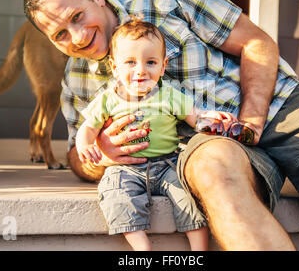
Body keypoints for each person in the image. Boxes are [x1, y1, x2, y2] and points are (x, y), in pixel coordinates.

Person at [23, 0, 299, 251]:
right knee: (212, 170)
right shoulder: (77, 77)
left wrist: (251, 122)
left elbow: (257, 44)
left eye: (76, 17)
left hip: (282, 109)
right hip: (207, 145)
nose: (78, 37)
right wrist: (100, 154)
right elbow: (75, 153)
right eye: (60, 36)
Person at [77, 16, 221, 250]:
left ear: (163, 66)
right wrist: (85, 144)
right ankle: (142, 248)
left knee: (191, 198)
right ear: (115, 67)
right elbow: (89, 127)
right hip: (124, 168)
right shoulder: (107, 99)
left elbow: (197, 119)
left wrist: (212, 120)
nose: (141, 71)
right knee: (116, 195)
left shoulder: (171, 96)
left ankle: (198, 250)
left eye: (151, 62)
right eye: (131, 62)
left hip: (168, 164)